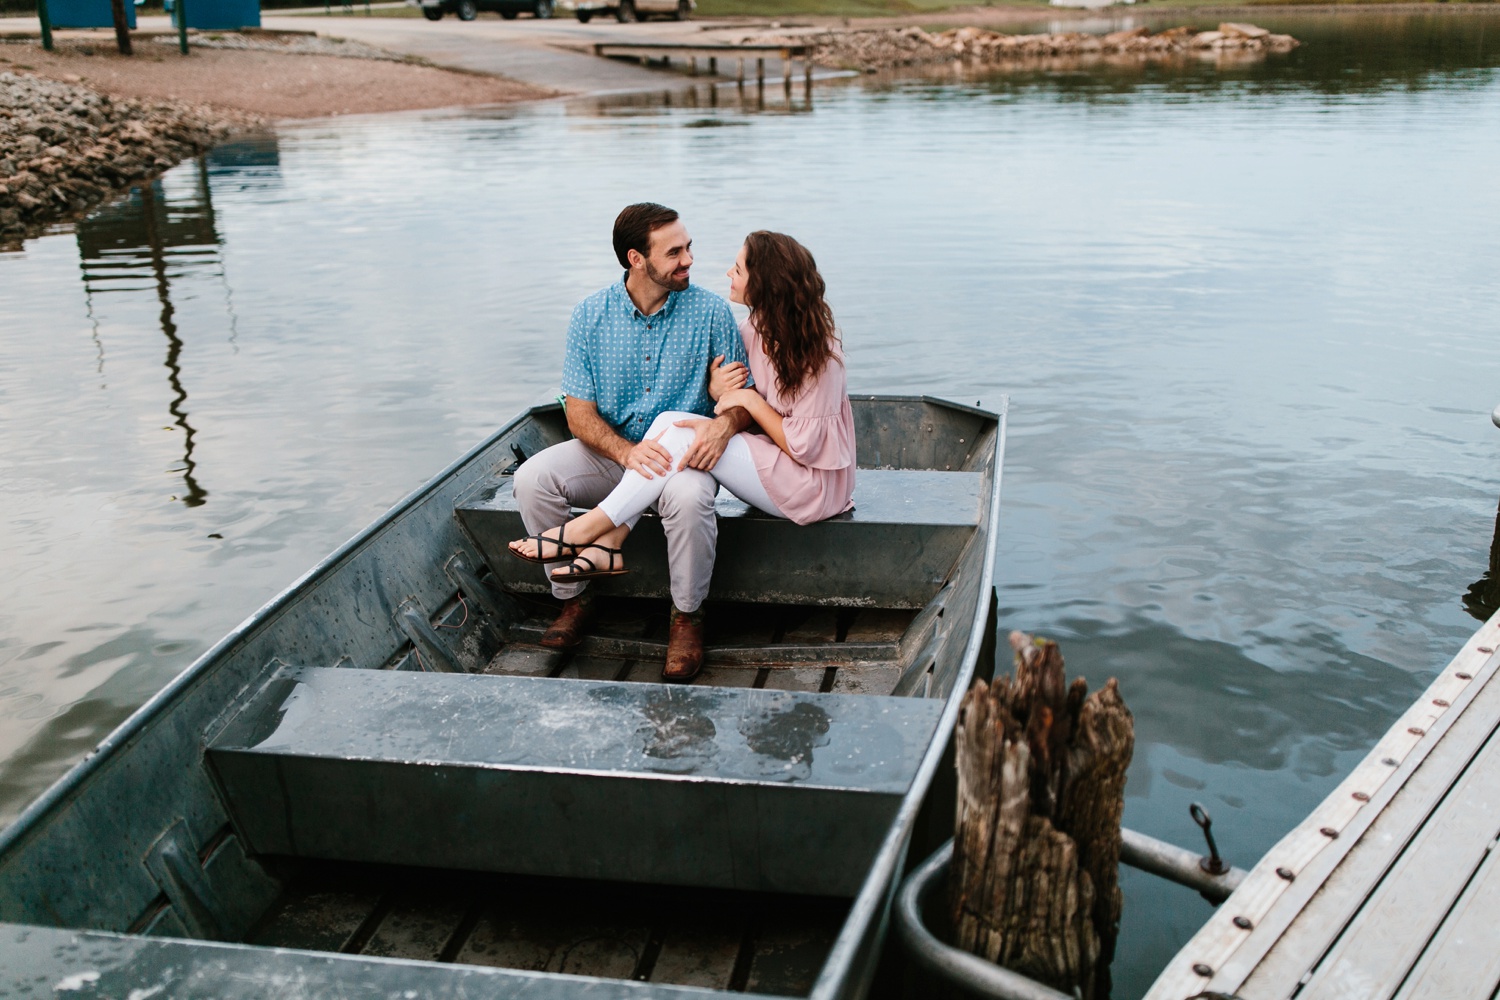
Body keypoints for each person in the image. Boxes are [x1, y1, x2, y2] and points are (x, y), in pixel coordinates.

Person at [510, 230, 856, 681]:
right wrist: (721, 394)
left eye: (739, 268)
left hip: (811, 485)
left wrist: (746, 402)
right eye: (677, 251)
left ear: (766, 282)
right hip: (771, 464)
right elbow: (730, 397)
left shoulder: (820, 353)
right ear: (636, 258)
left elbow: (802, 445)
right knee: (670, 429)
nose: (725, 272)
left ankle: (594, 531)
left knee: (674, 427)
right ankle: (604, 549)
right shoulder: (754, 330)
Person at [508, 203, 754, 681]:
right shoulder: (590, 315)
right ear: (636, 259)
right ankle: (574, 601)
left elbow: (743, 401)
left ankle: (686, 618)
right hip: (613, 452)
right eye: (675, 252)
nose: (688, 261)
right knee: (532, 478)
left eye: (688, 248)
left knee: (688, 500)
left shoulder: (711, 312)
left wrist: (724, 424)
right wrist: (624, 452)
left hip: (684, 461)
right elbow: (578, 413)